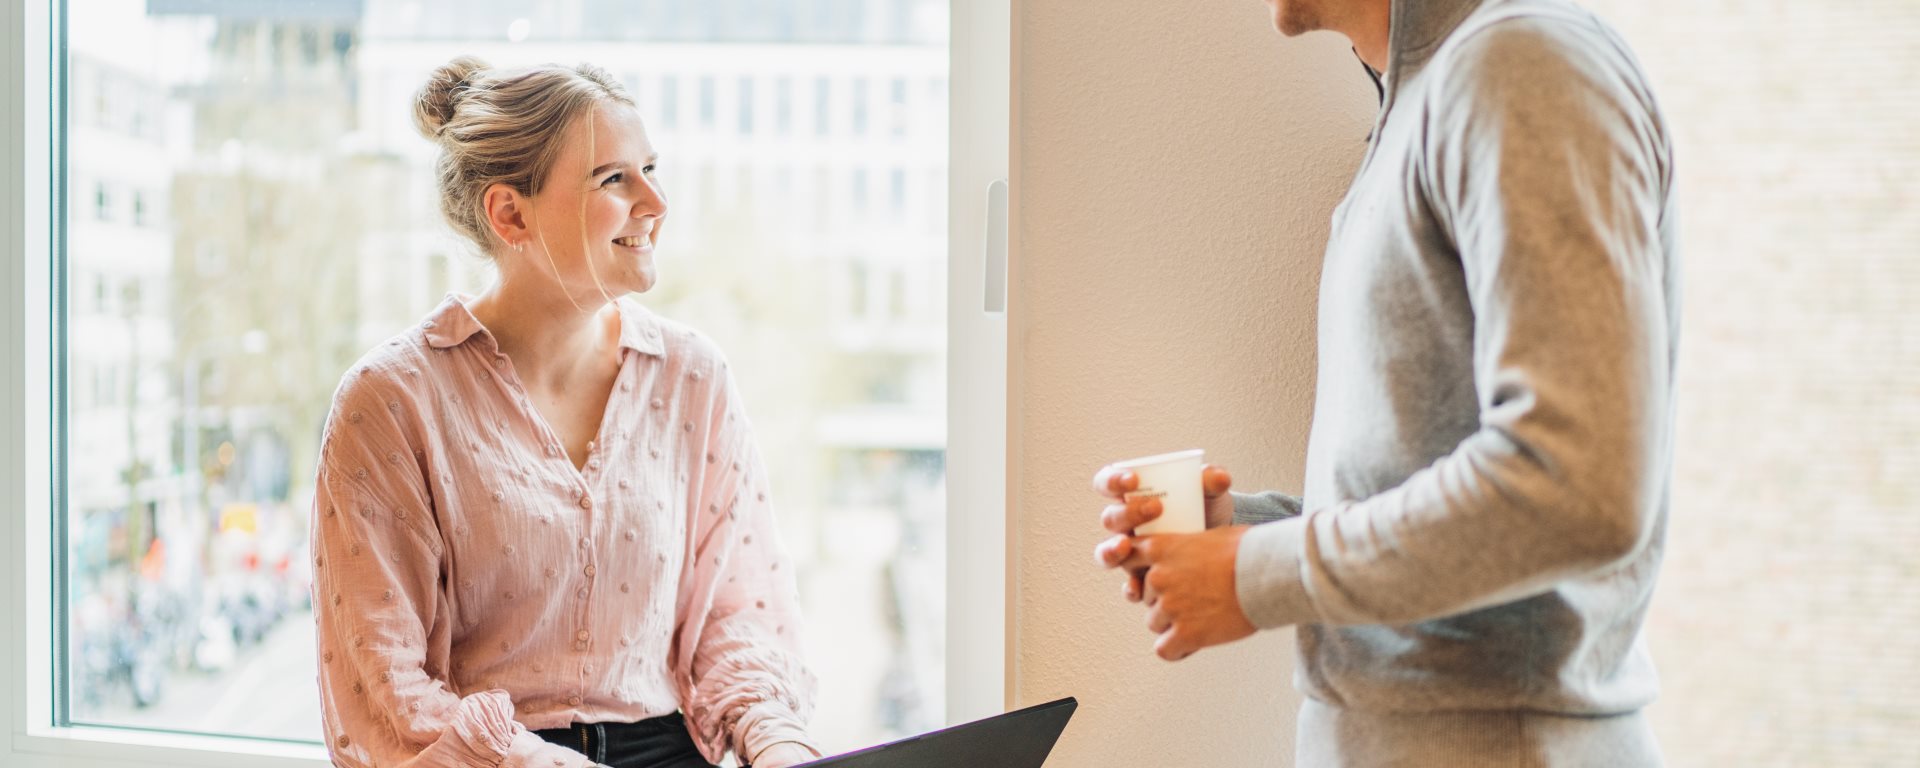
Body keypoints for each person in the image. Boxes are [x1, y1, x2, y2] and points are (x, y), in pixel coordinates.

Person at [1092, 0, 1678, 764]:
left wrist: (1255, 573)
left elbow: (1578, 489)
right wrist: (1248, 533)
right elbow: (1433, 482)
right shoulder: (1431, 94)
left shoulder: (1522, 64)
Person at [310, 57, 821, 768]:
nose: (656, 201)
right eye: (613, 179)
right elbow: (387, 689)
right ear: (510, 213)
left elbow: (739, 613)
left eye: (650, 169)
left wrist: (779, 742)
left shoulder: (692, 378)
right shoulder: (391, 403)